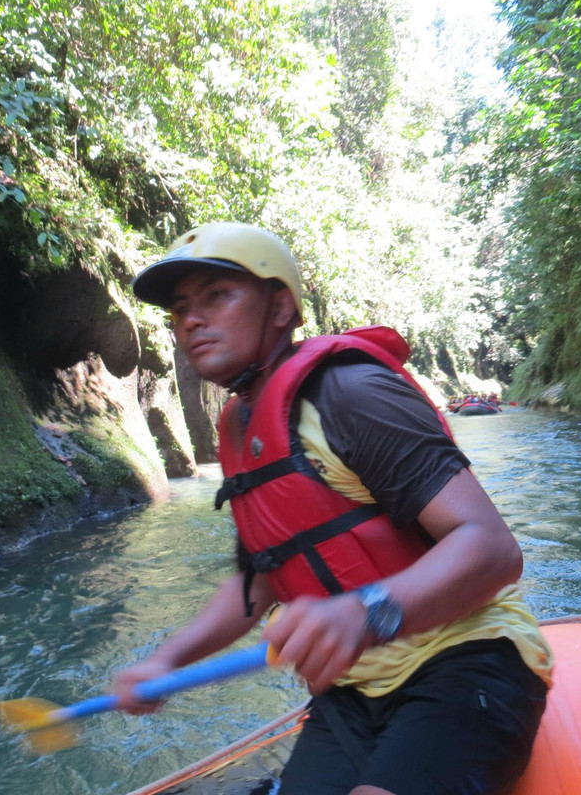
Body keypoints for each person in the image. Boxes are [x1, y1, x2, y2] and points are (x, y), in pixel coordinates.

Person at [117, 222, 552, 795]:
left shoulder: (351, 394)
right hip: (353, 691)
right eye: (180, 308)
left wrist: (361, 613)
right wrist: (165, 663)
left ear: (280, 308)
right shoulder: (241, 429)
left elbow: (493, 549)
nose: (191, 320)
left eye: (218, 296)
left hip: (468, 660)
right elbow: (258, 583)